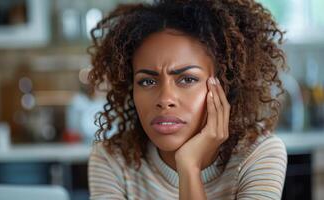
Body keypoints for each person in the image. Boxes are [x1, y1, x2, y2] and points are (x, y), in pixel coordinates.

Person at [87, 0, 288, 199]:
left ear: (225, 85)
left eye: (187, 79)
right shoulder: (112, 158)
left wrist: (189, 167)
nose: (165, 99)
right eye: (147, 81)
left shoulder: (258, 154)